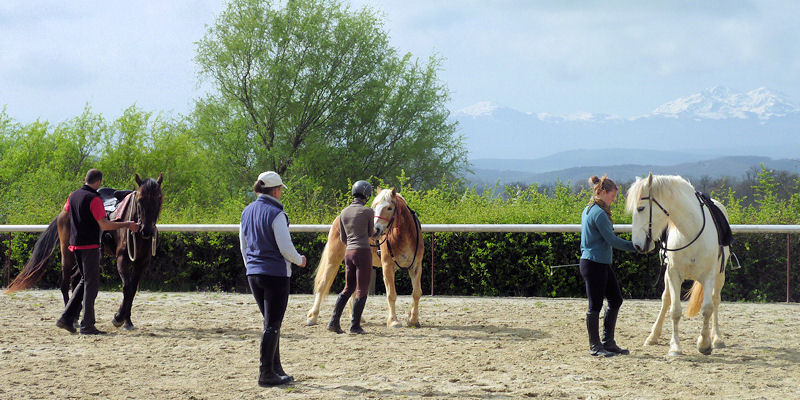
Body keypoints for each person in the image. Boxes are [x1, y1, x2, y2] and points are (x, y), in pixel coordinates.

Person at [239, 171, 307, 387]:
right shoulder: (277, 213)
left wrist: (250, 266)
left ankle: (275, 368)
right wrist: (299, 260)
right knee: (273, 324)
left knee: (270, 323)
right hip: (275, 274)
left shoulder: (246, 212)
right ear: (276, 190)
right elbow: (285, 247)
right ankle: (265, 373)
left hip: (254, 274)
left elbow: (244, 246)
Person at [56, 169, 140, 335]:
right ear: (99, 182)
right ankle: (87, 325)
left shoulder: (72, 196)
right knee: (91, 286)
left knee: (83, 282)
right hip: (89, 247)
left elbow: (68, 213)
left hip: (75, 245)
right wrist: (127, 224)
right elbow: (105, 225)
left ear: (85, 179)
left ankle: (66, 318)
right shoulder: (94, 199)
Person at [579, 175, 636, 357]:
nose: (613, 200)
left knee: (615, 299)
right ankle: (595, 346)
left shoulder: (589, 209)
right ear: (603, 192)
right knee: (594, 305)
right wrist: (635, 246)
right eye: (612, 196)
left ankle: (608, 342)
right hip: (595, 264)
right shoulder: (599, 214)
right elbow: (611, 240)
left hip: (598, 263)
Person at [327, 180, 375, 335]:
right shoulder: (368, 212)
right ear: (366, 195)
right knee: (362, 289)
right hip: (363, 252)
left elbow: (343, 238)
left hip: (349, 252)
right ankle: (355, 326)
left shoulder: (343, 212)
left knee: (348, 288)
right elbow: (370, 234)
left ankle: (334, 321)